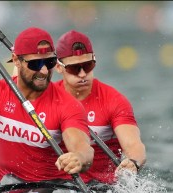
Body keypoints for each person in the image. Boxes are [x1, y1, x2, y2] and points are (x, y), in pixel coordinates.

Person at [0, 25, 94, 184]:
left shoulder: (67, 105)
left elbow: (82, 147)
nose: (43, 71)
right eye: (35, 64)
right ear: (16, 60)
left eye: (49, 62)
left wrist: (78, 157)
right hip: (11, 185)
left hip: (55, 187)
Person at [54, 30, 146, 184]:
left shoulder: (113, 100)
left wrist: (133, 162)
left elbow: (133, 144)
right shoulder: (47, 98)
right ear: (58, 67)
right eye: (75, 68)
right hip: (58, 183)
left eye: (88, 66)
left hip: (101, 186)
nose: (83, 74)